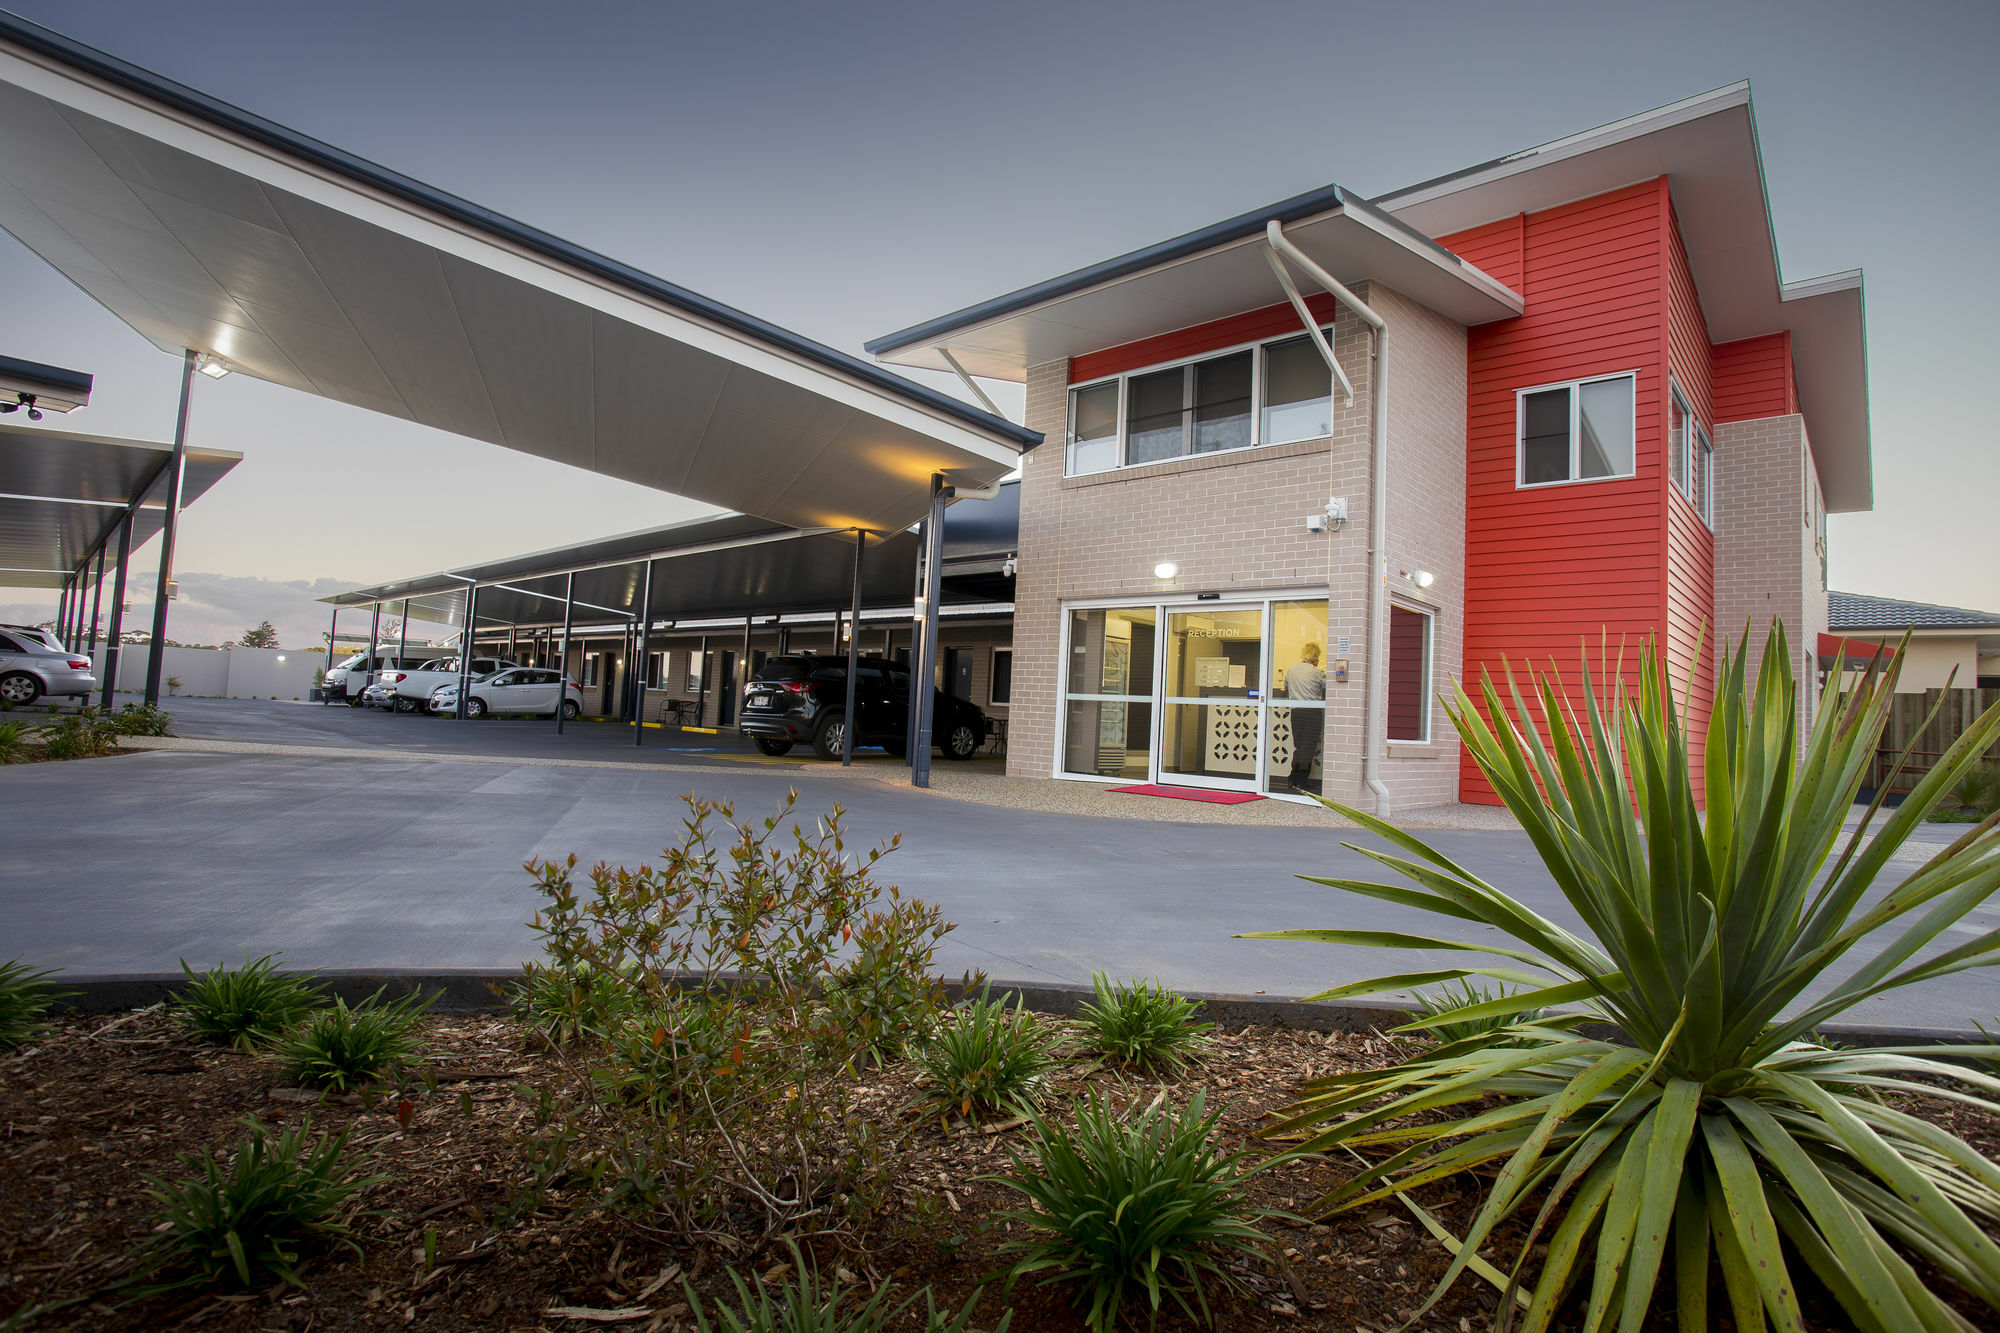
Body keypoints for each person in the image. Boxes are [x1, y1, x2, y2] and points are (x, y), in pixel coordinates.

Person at [1285, 641, 1326, 793]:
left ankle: (1292, 778)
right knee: (1307, 748)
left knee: (1299, 746)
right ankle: (1301, 781)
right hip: (1312, 712)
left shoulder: (1292, 670)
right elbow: (1330, 686)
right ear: (1316, 658)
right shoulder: (1316, 672)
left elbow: (1286, 687)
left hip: (1296, 712)